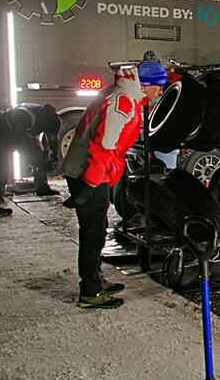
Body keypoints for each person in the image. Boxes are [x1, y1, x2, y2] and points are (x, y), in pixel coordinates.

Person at [60, 56, 166, 309]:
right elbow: (104, 147)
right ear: (146, 83)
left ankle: (95, 278)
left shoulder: (123, 93)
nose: (161, 91)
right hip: (88, 172)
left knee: (98, 227)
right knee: (92, 233)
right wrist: (91, 185)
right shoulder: (124, 101)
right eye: (158, 85)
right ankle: (90, 292)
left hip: (92, 171)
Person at [0, 103, 61, 202]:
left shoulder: (51, 120)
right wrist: (31, 160)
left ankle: (42, 188)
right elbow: (19, 141)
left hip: (24, 132)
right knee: (5, 160)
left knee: (41, 155)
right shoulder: (25, 116)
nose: (49, 134)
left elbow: (53, 140)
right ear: (44, 124)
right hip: (6, 128)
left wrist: (53, 157)